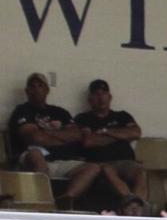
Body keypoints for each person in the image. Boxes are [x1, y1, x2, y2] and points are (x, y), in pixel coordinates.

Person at [8, 71, 101, 205]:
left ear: (47, 90)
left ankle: (65, 200)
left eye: (40, 85)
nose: (36, 89)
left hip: (62, 161)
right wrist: (63, 136)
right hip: (31, 160)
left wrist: (45, 132)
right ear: (27, 91)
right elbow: (35, 138)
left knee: (93, 167)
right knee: (36, 153)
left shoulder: (60, 112)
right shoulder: (22, 110)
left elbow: (77, 135)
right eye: (32, 86)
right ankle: (43, 201)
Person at [74, 79, 148, 202]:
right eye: (96, 94)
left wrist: (106, 132)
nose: (100, 97)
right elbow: (89, 141)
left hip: (126, 161)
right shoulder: (84, 118)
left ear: (110, 97)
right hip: (101, 162)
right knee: (108, 171)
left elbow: (136, 133)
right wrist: (121, 135)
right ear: (90, 99)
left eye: (103, 93)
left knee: (141, 172)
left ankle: (139, 208)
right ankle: (130, 202)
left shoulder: (122, 116)